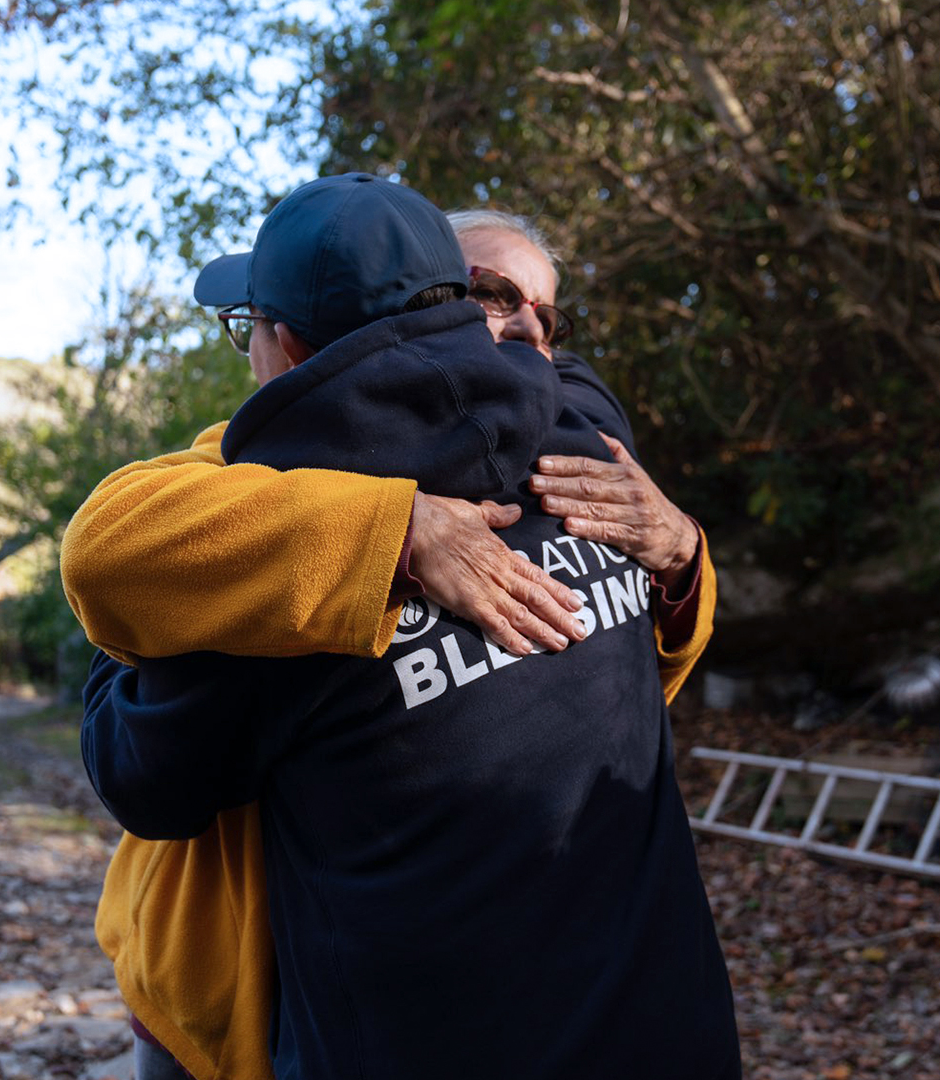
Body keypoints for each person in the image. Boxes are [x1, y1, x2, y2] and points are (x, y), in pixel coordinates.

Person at [75, 174, 739, 1080]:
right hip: (660, 1026)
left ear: (288, 343)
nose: (525, 333)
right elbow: (129, 540)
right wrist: (388, 529)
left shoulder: (594, 462)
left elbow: (144, 767)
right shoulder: (278, 500)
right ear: (448, 309)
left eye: (544, 315)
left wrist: (683, 551)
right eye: (492, 295)